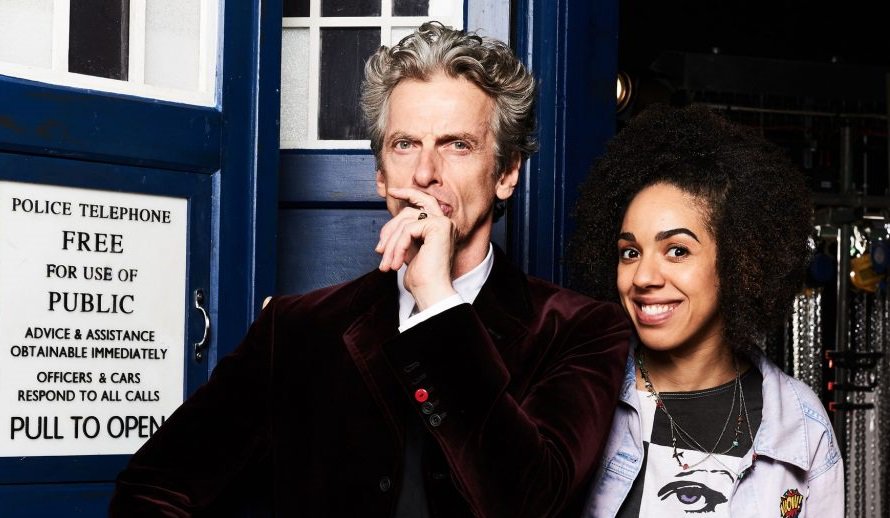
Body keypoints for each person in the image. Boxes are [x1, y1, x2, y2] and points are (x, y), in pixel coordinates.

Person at [109, 22, 630, 517]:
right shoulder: (294, 330)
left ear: (507, 173)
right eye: (405, 145)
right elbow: (152, 488)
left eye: (457, 145)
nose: (425, 173)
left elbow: (531, 505)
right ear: (381, 175)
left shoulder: (580, 330)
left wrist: (438, 303)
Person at [572, 104, 843, 517]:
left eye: (677, 250)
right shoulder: (581, 393)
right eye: (630, 252)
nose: (642, 277)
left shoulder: (801, 425)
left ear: (737, 260)